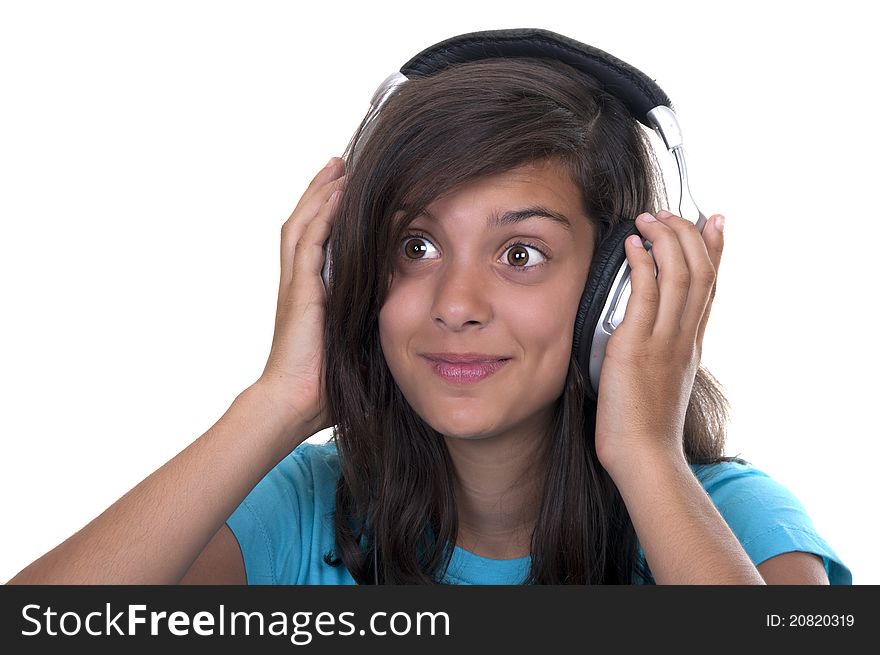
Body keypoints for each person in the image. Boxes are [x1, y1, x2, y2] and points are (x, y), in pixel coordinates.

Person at [8, 51, 851, 586]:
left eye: (520, 253)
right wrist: (281, 399)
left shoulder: (733, 522)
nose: (455, 303)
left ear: (616, 292)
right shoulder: (303, 514)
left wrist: (645, 454)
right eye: (415, 245)